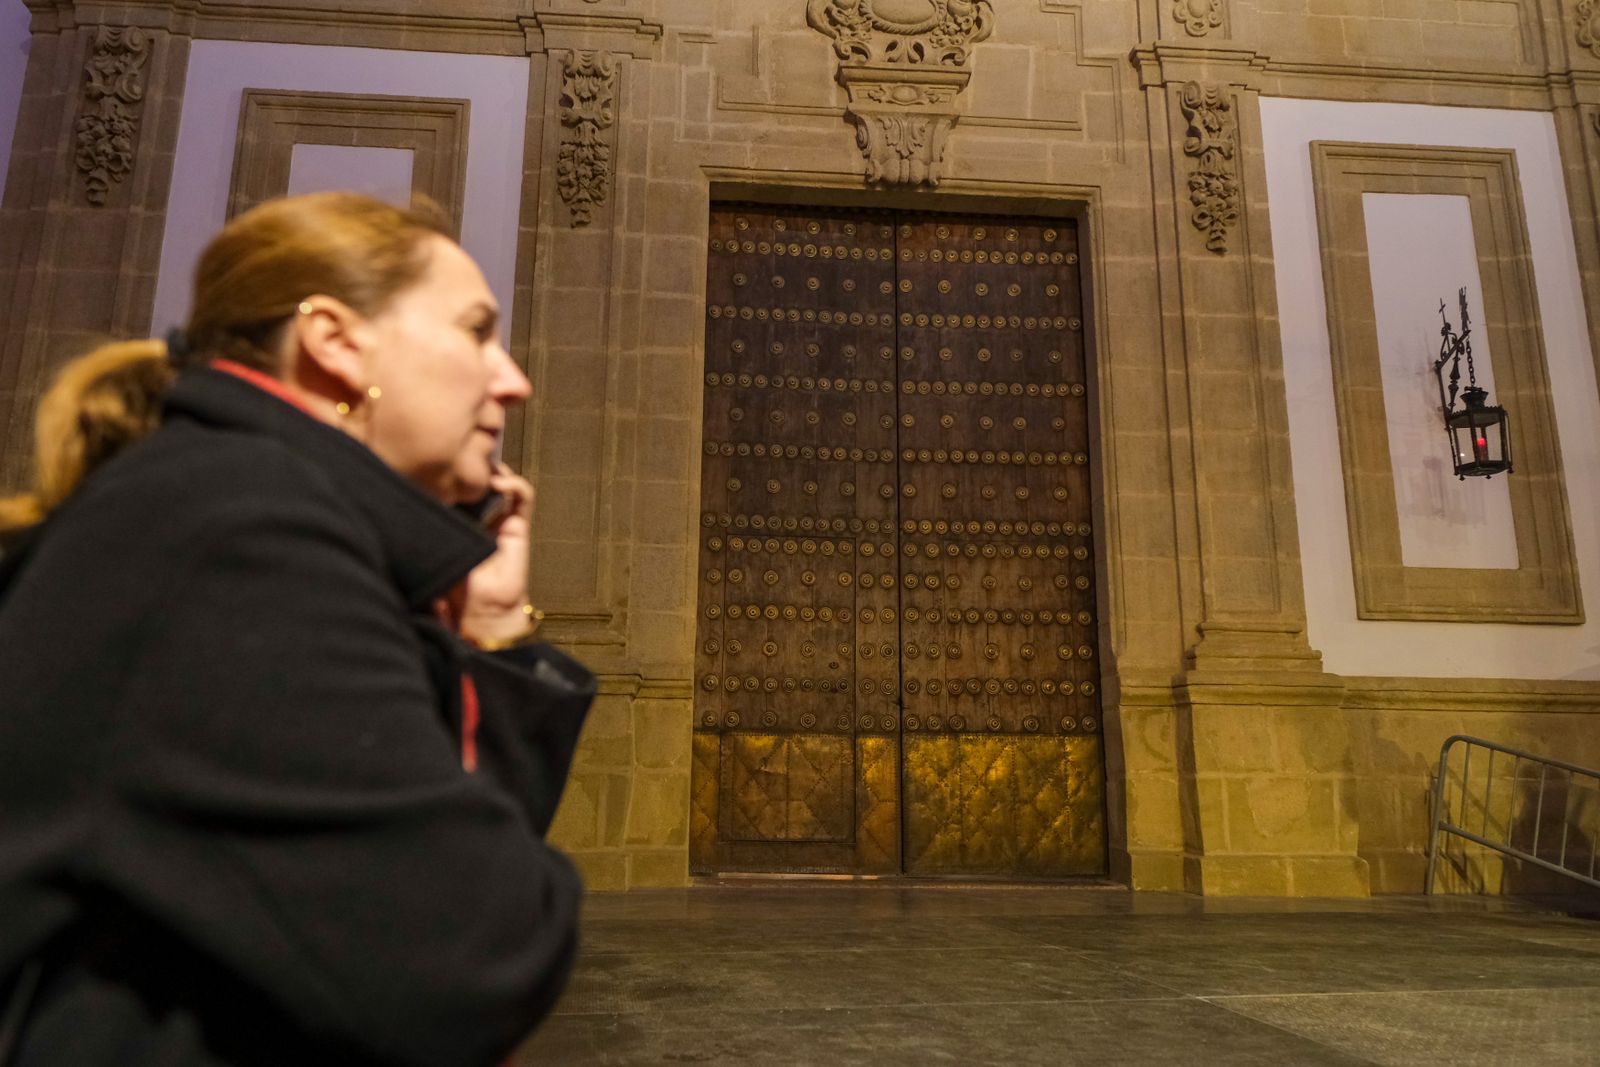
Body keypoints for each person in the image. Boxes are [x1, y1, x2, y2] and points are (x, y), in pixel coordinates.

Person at [0, 192, 594, 1066]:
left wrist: (491, 634)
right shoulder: (239, 535)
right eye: (476, 331)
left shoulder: (238, 504)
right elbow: (473, 952)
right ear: (336, 342)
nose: (514, 379)